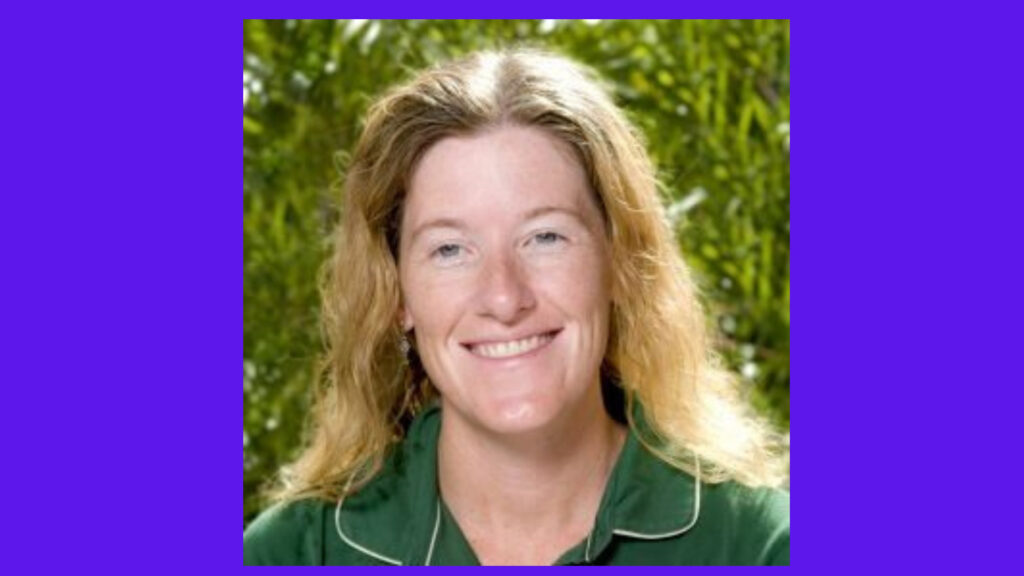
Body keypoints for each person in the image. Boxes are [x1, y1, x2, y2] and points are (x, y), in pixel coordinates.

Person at [243, 48, 789, 566]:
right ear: (397, 294)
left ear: (620, 262)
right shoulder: (293, 553)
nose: (504, 298)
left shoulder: (760, 546)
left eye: (545, 237)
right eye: (450, 250)